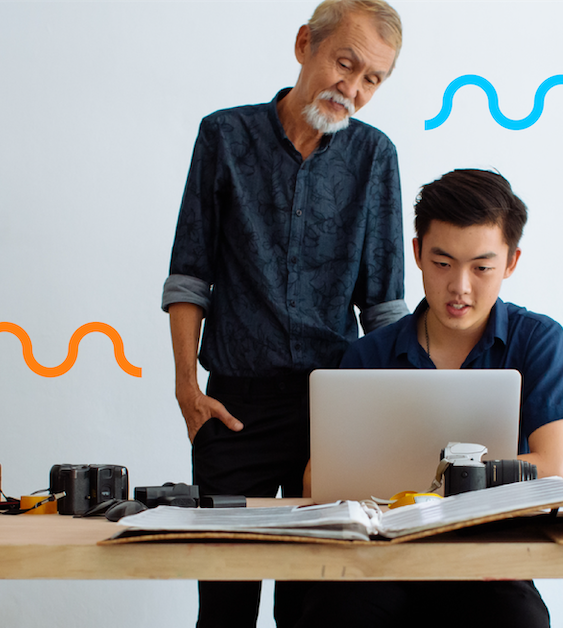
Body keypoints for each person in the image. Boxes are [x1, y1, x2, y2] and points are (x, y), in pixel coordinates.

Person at [160, 1, 406, 626]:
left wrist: (385, 420)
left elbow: (383, 308)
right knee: (225, 606)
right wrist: (188, 387)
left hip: (332, 414)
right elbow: (191, 272)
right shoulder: (224, 137)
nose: (351, 88)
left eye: (372, 79)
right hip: (232, 409)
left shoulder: (377, 158)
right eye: (344, 63)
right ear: (304, 45)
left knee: (315, 605)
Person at [297, 169, 563, 628]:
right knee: (329, 614)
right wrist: (468, 477)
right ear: (416, 253)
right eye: (442, 263)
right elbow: (319, 483)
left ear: (511, 262)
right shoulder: (368, 354)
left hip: (489, 561)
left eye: (482, 267)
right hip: (379, 562)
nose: (460, 287)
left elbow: (556, 465)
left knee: (519, 622)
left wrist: (414, 478)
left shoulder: (538, 341)